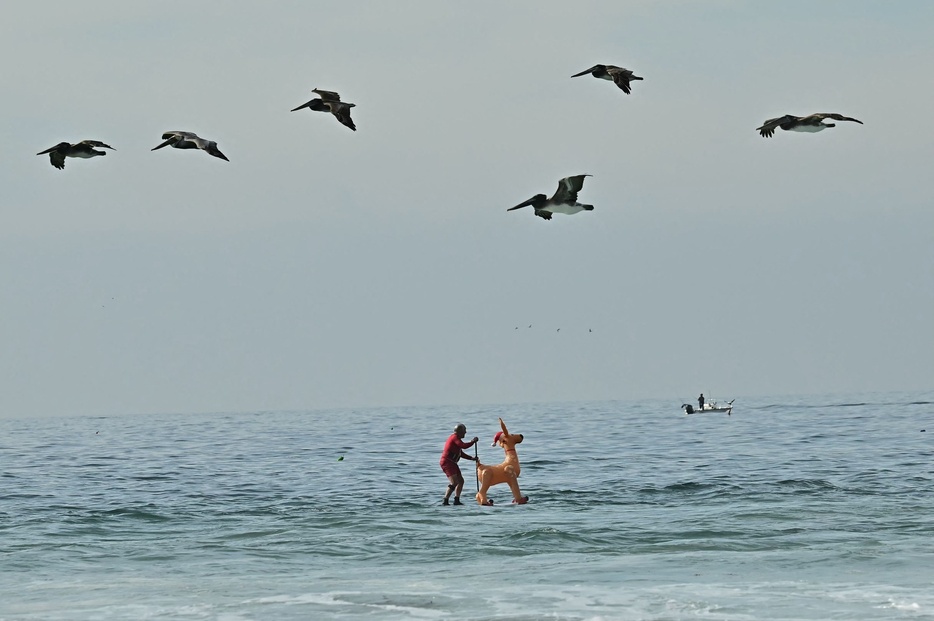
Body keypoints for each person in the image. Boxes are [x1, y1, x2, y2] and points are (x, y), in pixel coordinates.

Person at [439, 423, 478, 505]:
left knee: (461, 481)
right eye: (464, 431)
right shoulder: (454, 437)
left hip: (453, 463)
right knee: (454, 482)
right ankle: (445, 500)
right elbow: (463, 446)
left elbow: (460, 453)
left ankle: (456, 500)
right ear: (459, 432)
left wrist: (472, 458)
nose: (465, 432)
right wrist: (472, 442)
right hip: (447, 462)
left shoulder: (457, 439)